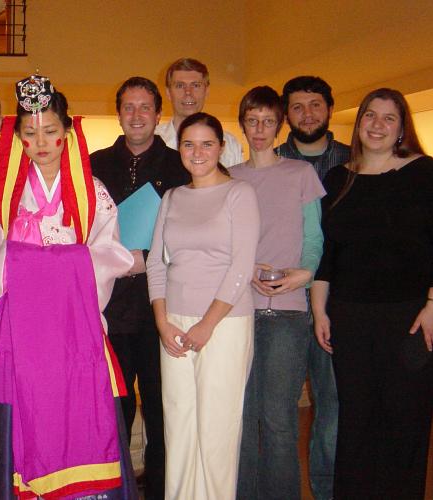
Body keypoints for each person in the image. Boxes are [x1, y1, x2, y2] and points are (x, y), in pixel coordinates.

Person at [0, 74, 136, 498]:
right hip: (16, 329)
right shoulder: (1, 194)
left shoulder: (92, 193)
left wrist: (48, 261)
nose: (41, 142)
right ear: (17, 137)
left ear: (68, 133)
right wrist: (50, 259)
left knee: (75, 415)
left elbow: (111, 255)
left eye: (51, 131)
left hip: (73, 328)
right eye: (30, 132)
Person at [311, 88, 433, 499]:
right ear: (359, 122)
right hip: (350, 316)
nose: (377, 126)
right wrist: (320, 311)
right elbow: (328, 253)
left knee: (405, 424)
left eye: (389, 118)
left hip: (409, 318)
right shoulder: (338, 178)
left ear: (402, 129)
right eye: (370, 116)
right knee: (356, 424)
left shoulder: (424, 173)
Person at [146, 112, 259, 499]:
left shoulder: (239, 193)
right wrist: (162, 323)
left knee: (216, 428)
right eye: (189, 144)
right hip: (175, 322)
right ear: (179, 149)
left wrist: (207, 325)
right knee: (178, 424)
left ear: (221, 147)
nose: (197, 152)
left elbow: (242, 266)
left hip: (224, 323)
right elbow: (156, 264)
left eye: (207, 143)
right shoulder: (173, 197)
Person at [90, 76, 188, 500]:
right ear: (118, 113)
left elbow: (191, 234)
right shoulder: (93, 165)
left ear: (158, 114)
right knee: (113, 407)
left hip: (162, 308)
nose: (136, 115)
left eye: (145, 107)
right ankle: (116, 489)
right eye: (128, 107)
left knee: (165, 407)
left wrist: (149, 258)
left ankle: (163, 489)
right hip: (107, 308)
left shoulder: (179, 167)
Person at [230, 86, 325, 500]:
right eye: (253, 121)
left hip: (287, 313)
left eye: (269, 121)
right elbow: (226, 243)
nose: (261, 129)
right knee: (244, 418)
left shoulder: (300, 174)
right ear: (243, 125)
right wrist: (244, 267)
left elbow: (315, 239)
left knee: (279, 420)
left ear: (279, 125)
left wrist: (302, 275)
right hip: (239, 312)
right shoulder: (230, 176)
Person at [277, 75, 348, 500]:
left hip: (337, 300)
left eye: (315, 105)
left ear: (329, 108)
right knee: (277, 406)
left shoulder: (351, 160)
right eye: (298, 107)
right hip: (280, 300)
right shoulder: (269, 156)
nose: (307, 114)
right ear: (286, 113)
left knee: (333, 404)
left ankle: (326, 491)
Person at [155, 58, 243, 167]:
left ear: (206, 91)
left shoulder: (229, 144)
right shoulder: (153, 141)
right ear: (168, 92)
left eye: (196, 85)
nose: (188, 92)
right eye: (180, 85)